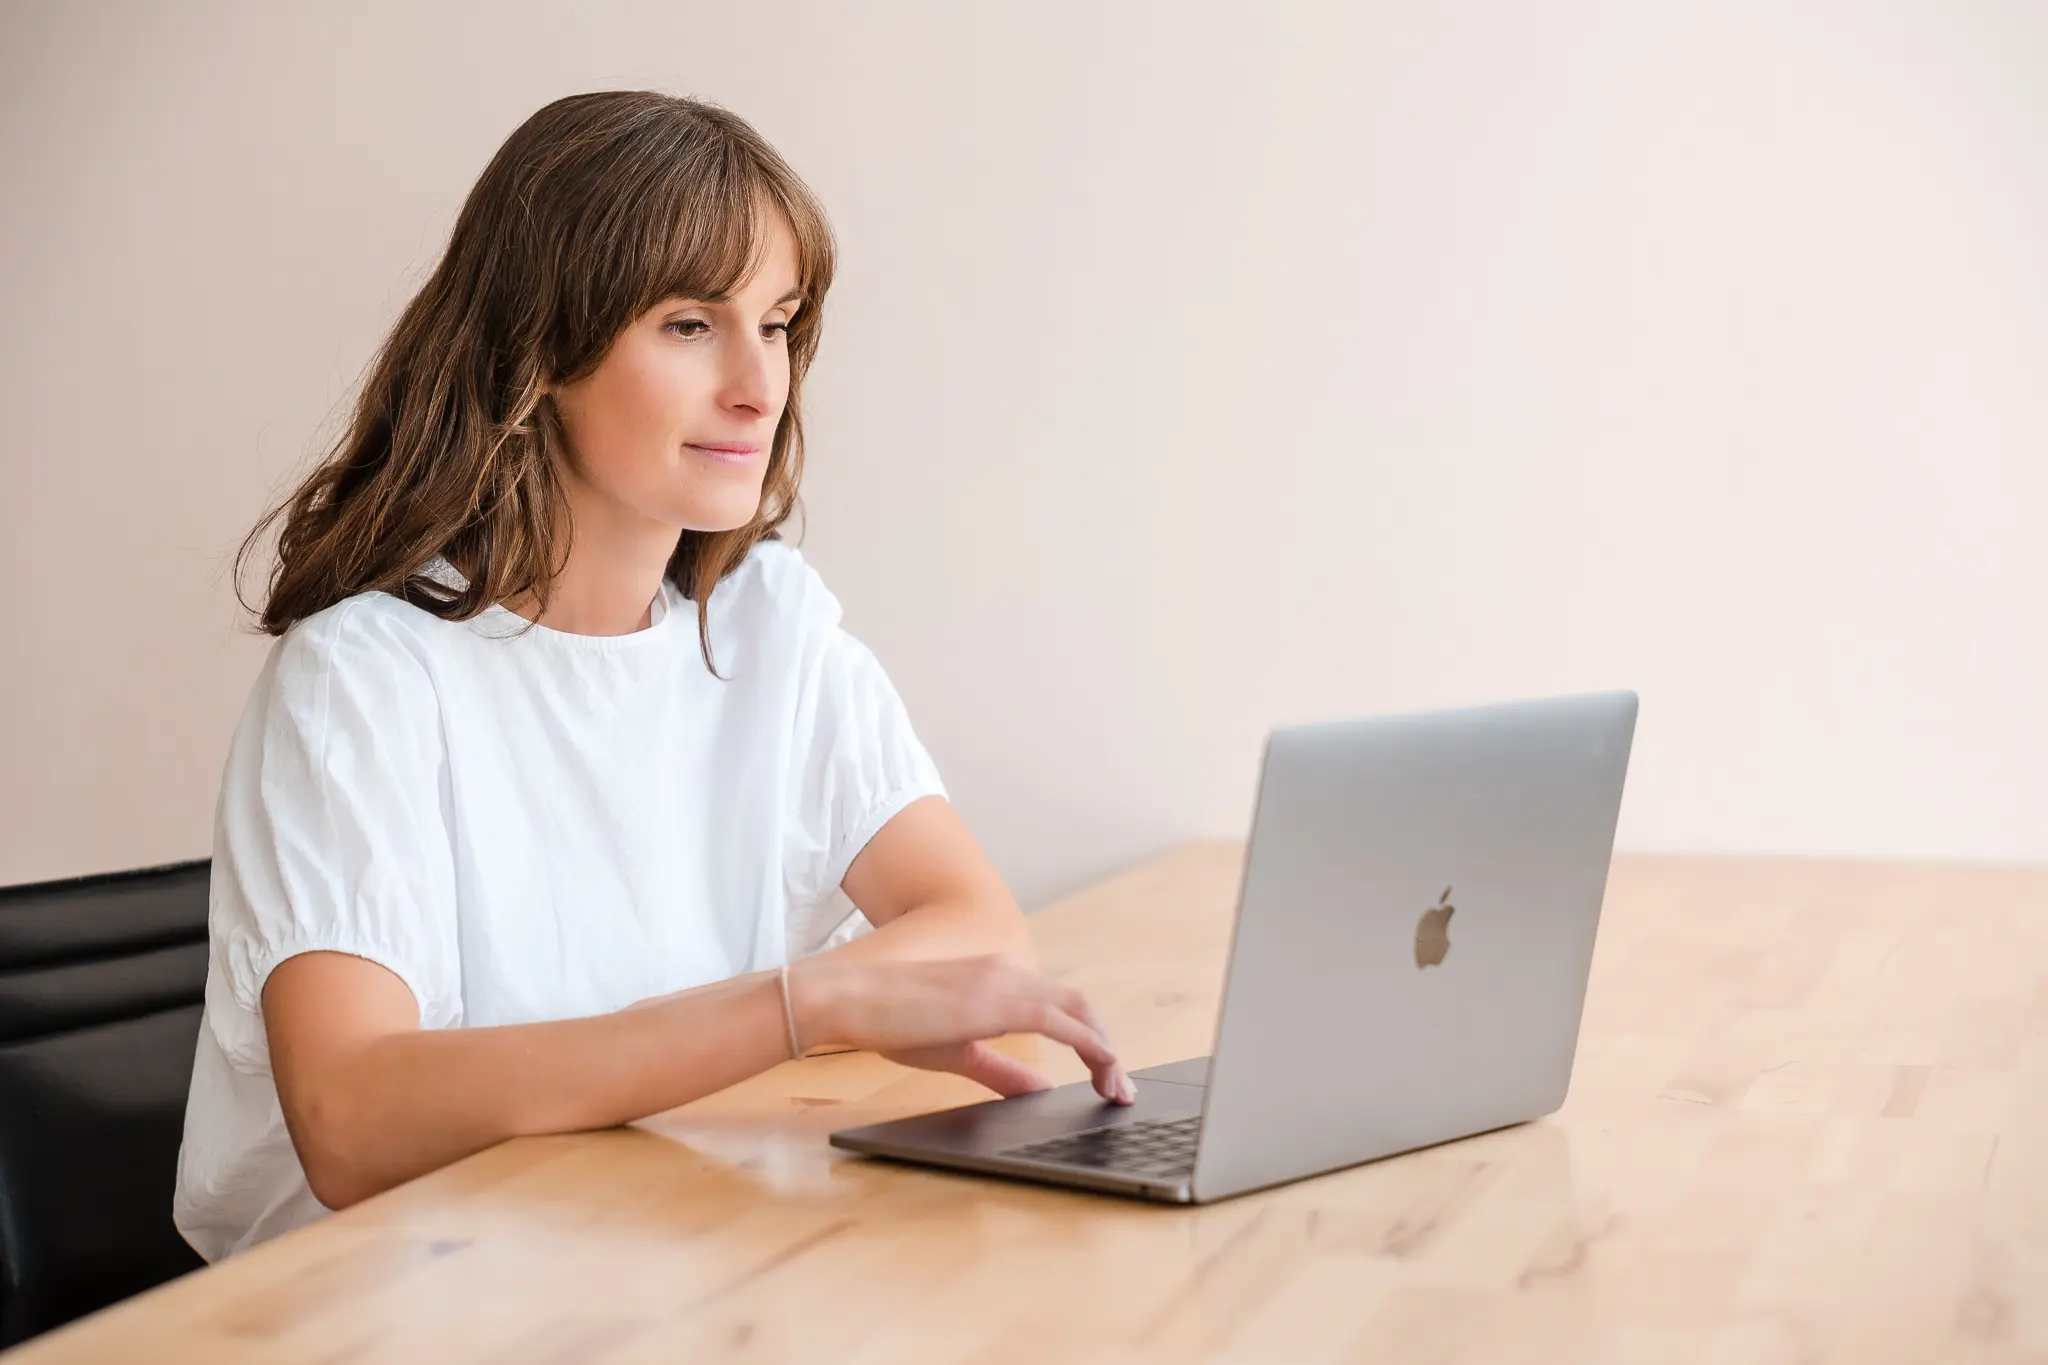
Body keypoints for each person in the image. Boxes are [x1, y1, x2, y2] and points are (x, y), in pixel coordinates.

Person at [172, 90, 1133, 1262]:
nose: (757, 384)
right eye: (690, 324)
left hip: (640, 1248)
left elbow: (979, 935)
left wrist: (787, 1020)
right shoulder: (361, 681)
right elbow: (353, 1118)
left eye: (776, 323)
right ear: (538, 356)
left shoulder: (766, 624)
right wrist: (803, 1006)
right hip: (374, 1297)